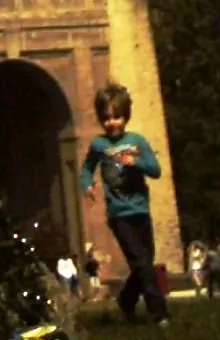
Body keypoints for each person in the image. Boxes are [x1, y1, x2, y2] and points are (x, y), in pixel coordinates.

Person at [79, 83, 170, 328]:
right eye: (106, 118)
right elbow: (86, 168)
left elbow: (156, 170)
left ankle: (126, 300)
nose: (112, 123)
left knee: (145, 263)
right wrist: (87, 185)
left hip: (141, 209)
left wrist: (136, 162)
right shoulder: (99, 145)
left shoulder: (138, 141)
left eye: (117, 117)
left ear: (126, 116)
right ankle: (159, 314)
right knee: (141, 263)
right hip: (119, 214)